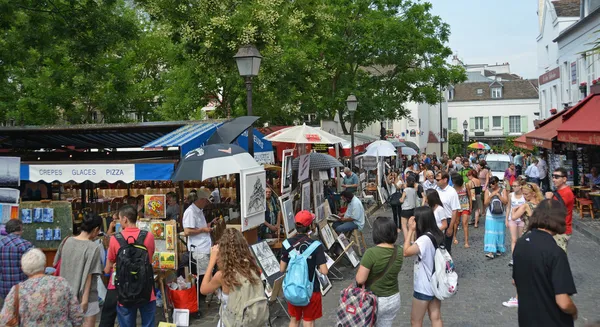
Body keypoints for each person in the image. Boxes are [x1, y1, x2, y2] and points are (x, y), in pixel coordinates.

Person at [513, 200, 578, 326]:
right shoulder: (555, 252)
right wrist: (574, 311)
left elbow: (515, 280)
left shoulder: (521, 244)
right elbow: (563, 302)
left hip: (527, 319)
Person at [0, 248, 84, 326]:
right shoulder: (62, 283)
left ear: (23, 269)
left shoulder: (17, 290)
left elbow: (5, 320)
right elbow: (77, 316)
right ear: (44, 266)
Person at [200, 228, 266, 327]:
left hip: (232, 323)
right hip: (253, 321)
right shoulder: (252, 268)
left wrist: (212, 260)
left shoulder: (223, 275)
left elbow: (203, 289)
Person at [105, 205, 156, 327]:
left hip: (124, 291)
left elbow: (108, 267)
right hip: (146, 290)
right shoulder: (148, 236)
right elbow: (149, 258)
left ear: (125, 219)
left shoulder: (115, 239)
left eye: (120, 219)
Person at [280, 211, 328, 327]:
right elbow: (324, 271)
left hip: (293, 287)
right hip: (311, 289)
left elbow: (282, 269)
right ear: (310, 226)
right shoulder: (316, 245)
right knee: (309, 320)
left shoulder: (286, 244)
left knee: (294, 319)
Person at [55, 213, 103, 327]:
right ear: (96, 229)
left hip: (65, 293)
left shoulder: (67, 241)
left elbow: (55, 262)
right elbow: (89, 275)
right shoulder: (93, 247)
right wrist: (85, 300)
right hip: (87, 297)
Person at [354, 217, 403, 327]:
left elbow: (360, 279)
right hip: (394, 298)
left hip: (375, 300)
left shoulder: (371, 253)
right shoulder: (399, 250)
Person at [402, 207, 444, 327]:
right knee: (435, 317)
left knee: (416, 321)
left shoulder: (424, 240)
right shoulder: (436, 234)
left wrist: (410, 230)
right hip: (435, 284)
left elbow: (406, 252)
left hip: (424, 286)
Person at [183, 189, 213, 307]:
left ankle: (202, 297)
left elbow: (198, 227)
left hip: (204, 246)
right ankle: (200, 298)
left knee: (204, 273)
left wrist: (207, 226)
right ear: (200, 200)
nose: (206, 203)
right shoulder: (190, 212)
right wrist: (203, 230)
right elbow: (187, 231)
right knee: (202, 274)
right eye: (205, 200)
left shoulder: (199, 211)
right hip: (198, 249)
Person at [0, 219, 33, 308]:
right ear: (20, 229)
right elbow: (33, 266)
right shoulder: (26, 245)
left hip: (3, 289)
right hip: (22, 288)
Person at [545, 167, 575, 253]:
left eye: (557, 177)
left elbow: (554, 211)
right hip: (555, 229)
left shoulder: (566, 193)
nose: (554, 179)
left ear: (564, 179)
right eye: (553, 176)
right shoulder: (559, 191)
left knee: (558, 259)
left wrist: (548, 199)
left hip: (561, 231)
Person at [435, 171, 460, 254]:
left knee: (446, 247)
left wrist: (450, 227)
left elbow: (454, 211)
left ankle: (448, 265)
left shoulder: (452, 192)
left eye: (438, 180)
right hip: (437, 220)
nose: (436, 181)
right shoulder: (436, 189)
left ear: (445, 180)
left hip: (448, 220)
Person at [483, 176, 508, 259]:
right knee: (491, 232)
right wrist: (491, 196)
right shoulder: (488, 191)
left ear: (497, 183)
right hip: (491, 215)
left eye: (493, 183)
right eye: (490, 183)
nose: (491, 185)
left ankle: (499, 248)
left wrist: (498, 195)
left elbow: (505, 201)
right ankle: (491, 251)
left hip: (501, 215)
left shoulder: (503, 190)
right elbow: (485, 203)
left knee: (500, 232)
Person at [505, 179, 526, 267]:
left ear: (520, 186)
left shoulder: (525, 196)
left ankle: (522, 257)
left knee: (521, 239)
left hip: (522, 220)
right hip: (512, 219)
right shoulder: (510, 195)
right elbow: (508, 207)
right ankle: (514, 258)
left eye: (515, 186)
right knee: (514, 239)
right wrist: (506, 219)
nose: (513, 188)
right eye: (512, 186)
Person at [452, 174, 472, 248]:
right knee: (456, 223)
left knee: (465, 223)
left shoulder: (465, 185)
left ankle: (466, 242)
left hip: (465, 206)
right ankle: (454, 236)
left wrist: (470, 206)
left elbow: (470, 196)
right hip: (457, 207)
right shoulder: (453, 187)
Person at [399, 175, 418, 241]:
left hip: (405, 209)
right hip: (413, 209)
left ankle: (407, 241)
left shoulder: (406, 190)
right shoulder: (414, 190)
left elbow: (402, 200)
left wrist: (400, 199)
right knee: (411, 226)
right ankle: (412, 240)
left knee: (404, 226)